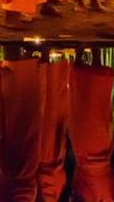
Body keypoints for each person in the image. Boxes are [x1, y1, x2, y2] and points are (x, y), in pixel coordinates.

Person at [68, 49, 114, 200]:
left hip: (98, 151)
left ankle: (92, 54)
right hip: (90, 151)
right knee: (86, 105)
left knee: (96, 105)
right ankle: (84, 55)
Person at [0, 48, 44, 200]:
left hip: (20, 166)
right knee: (17, 112)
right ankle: (16, 59)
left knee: (21, 113)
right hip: (17, 166)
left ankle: (19, 60)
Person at [39, 56, 70, 201]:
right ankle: (44, 62)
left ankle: (45, 62)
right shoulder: (54, 195)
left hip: (45, 153)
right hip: (48, 154)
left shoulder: (52, 194)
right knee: (51, 106)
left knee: (49, 106)